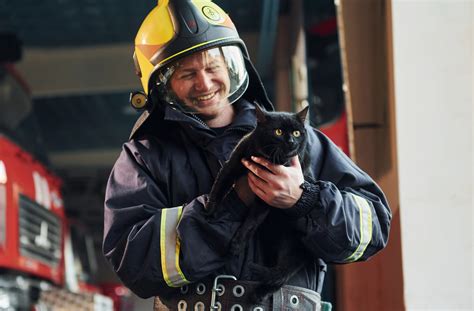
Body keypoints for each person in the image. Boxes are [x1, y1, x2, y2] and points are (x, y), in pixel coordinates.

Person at [103, 0, 392, 310]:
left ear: (232, 65)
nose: (205, 83)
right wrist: (230, 205)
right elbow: (133, 262)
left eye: (213, 66)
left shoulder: (307, 142)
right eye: (187, 74)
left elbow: (373, 228)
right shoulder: (144, 158)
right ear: (161, 85)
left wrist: (305, 199)